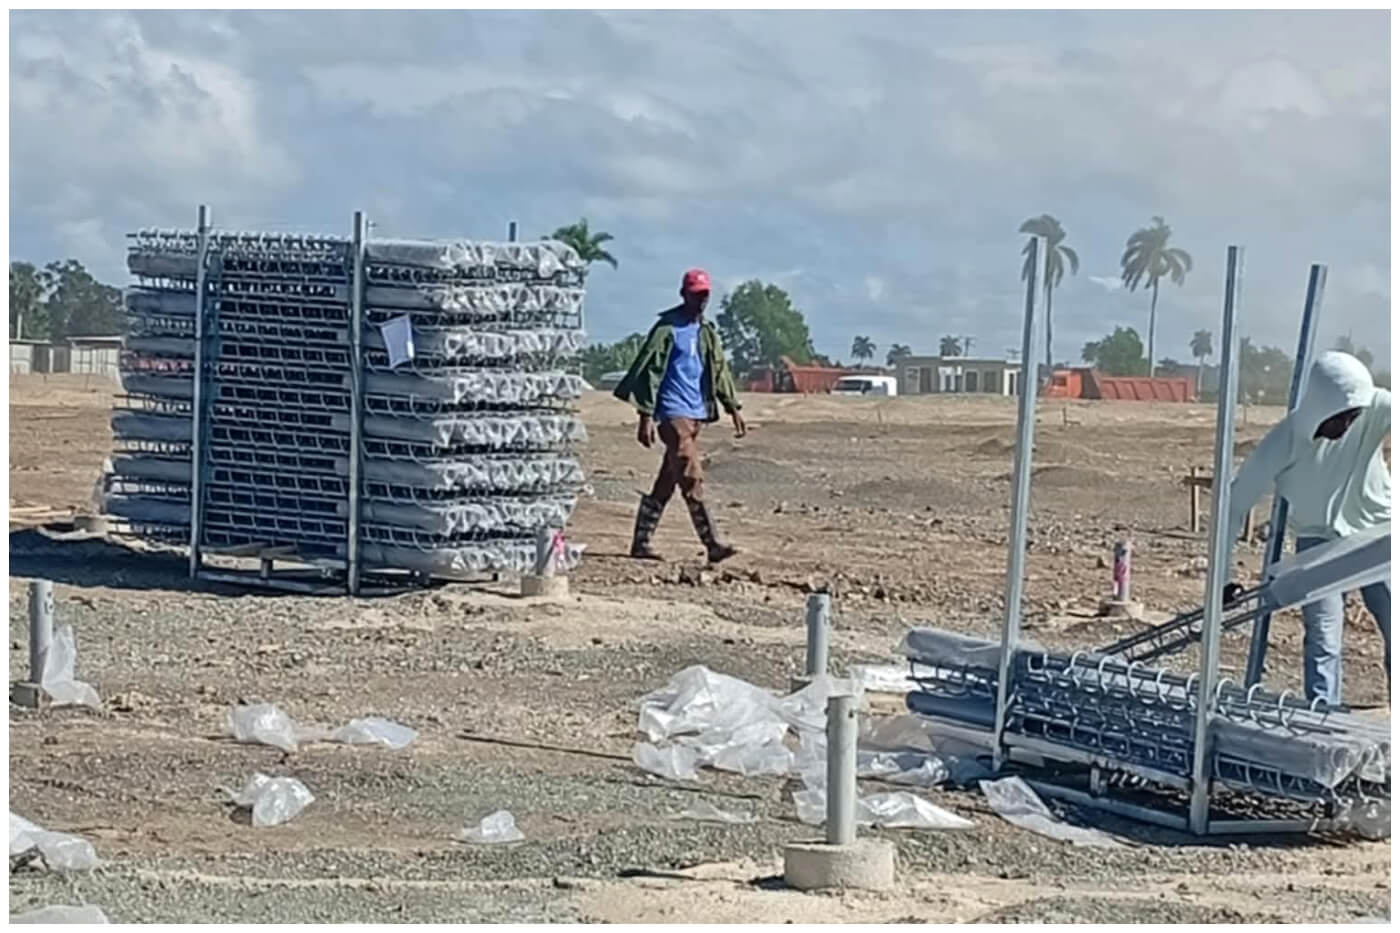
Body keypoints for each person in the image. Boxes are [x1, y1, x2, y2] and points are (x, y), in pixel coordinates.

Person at [1225, 350, 1391, 705]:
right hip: (1319, 542)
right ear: (1320, 409)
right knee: (1324, 638)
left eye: (1354, 416)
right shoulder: (1283, 441)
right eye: (1342, 417)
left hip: (1381, 534)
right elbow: (1236, 504)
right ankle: (1322, 720)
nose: (1348, 424)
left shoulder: (1376, 406)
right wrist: (1224, 576)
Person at [613, 268, 747, 563]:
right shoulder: (668, 329)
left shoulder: (707, 333)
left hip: (696, 414)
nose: (701, 300)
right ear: (684, 295)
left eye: (705, 295)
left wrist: (733, 407)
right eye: (696, 294)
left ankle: (641, 542)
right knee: (690, 474)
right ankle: (712, 543)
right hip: (672, 415)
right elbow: (651, 372)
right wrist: (645, 416)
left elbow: (719, 371)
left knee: (667, 479)